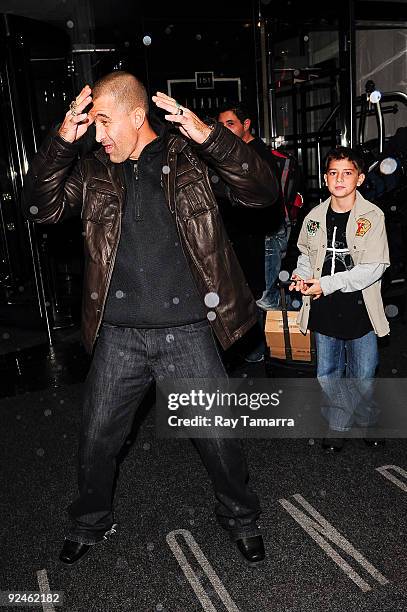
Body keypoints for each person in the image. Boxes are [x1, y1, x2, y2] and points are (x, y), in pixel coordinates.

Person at [24, 72, 280, 565]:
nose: (98, 134)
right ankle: (91, 521)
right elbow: (39, 208)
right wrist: (61, 142)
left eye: (103, 121)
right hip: (119, 335)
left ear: (136, 117)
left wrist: (210, 136)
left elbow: (263, 192)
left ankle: (240, 517)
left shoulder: (190, 159)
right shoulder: (95, 170)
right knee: (96, 439)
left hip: (188, 331)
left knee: (219, 440)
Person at [289, 146, 390, 451]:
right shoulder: (315, 216)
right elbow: (306, 254)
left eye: (347, 173)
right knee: (328, 373)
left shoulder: (372, 217)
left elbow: (372, 269)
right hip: (324, 308)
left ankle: (367, 417)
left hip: (361, 310)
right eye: (333, 173)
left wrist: (326, 283)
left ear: (359, 178)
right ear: (325, 178)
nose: (339, 179)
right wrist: (301, 275)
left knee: (363, 374)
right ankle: (338, 424)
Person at [217, 101, 284, 362]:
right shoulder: (234, 152)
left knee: (265, 296)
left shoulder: (257, 154)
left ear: (246, 125)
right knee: (251, 293)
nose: (224, 130)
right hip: (248, 235)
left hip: (264, 235)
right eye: (220, 125)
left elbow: (264, 201)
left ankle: (283, 347)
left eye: (230, 124)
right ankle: (261, 347)